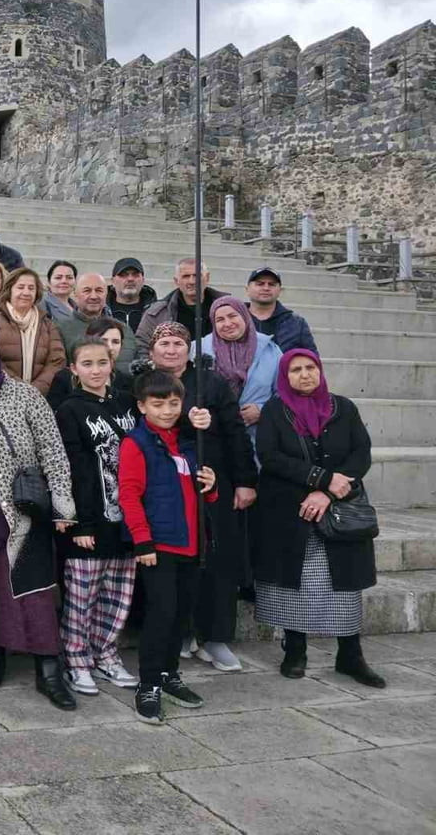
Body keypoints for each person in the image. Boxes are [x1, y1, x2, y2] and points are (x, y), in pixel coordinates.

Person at [0, 334, 77, 709]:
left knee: (32, 590)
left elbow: (53, 452)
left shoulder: (25, 396)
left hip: (21, 512)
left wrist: (62, 508)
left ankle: (49, 669)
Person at [254, 349, 384, 688]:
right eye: (295, 369)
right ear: (286, 375)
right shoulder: (274, 409)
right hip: (289, 510)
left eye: (310, 367)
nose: (304, 375)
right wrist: (319, 479)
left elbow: (361, 453)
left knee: (343, 582)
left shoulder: (343, 407)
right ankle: (295, 649)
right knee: (294, 582)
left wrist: (328, 491)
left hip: (339, 508)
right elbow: (269, 456)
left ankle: (350, 655)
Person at [145, 322, 258, 674]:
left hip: (213, 482)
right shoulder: (144, 385)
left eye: (179, 342)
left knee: (218, 559)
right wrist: (184, 421)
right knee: (175, 563)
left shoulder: (211, 383)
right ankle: (180, 632)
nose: (171, 349)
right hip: (165, 486)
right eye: (164, 342)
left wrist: (245, 481)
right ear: (152, 350)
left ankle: (215, 636)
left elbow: (236, 432)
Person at [118, 370, 219, 725]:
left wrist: (211, 485)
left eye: (174, 403)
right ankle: (148, 683)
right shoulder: (137, 443)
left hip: (191, 544)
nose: (166, 411)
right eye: (158, 404)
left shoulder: (188, 443)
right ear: (142, 406)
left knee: (181, 615)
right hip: (159, 545)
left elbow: (202, 492)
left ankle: (169, 673)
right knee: (161, 615)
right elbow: (129, 495)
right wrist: (142, 540)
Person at [53, 340, 139, 696]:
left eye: (101, 362)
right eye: (86, 363)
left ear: (111, 364)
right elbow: (70, 470)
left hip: (126, 519)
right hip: (90, 520)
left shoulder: (127, 403)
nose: (95, 370)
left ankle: (106, 654)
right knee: (82, 596)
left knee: (117, 596)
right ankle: (76, 660)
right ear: (74, 369)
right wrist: (80, 523)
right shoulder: (69, 410)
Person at [198, 295, 281, 445]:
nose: (227, 323)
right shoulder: (199, 349)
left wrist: (262, 410)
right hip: (213, 435)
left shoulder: (270, 350)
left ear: (244, 316)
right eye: (220, 320)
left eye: (232, 316)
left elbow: (284, 392)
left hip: (257, 436)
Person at [0, 266, 66, 396]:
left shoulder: (48, 324)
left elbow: (57, 361)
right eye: (20, 287)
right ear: (10, 290)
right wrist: (19, 388)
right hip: (2, 396)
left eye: (31, 288)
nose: (26, 292)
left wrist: (35, 390)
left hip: (39, 397)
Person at [134, 258, 225, 359]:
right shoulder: (156, 313)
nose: (192, 281)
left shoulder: (227, 307)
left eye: (197, 275)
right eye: (186, 276)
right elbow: (142, 345)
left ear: (207, 278)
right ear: (176, 281)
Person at [47, 316, 134, 409]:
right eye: (103, 340)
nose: (110, 347)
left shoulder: (127, 382)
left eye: (115, 342)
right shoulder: (64, 379)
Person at [55, 273, 135, 372]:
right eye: (87, 291)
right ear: (75, 294)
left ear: (106, 294)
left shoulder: (123, 329)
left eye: (99, 291)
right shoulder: (60, 328)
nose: (93, 296)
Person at [246, 267, 318, 354]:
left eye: (272, 284)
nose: (266, 288)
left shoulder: (296, 323)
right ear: (247, 289)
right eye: (260, 284)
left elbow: (312, 359)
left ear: (280, 290)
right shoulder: (235, 319)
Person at [107, 257, 157, 333]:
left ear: (143, 280)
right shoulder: (101, 311)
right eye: (123, 275)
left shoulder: (156, 312)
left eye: (135, 275)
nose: (130, 279)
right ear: (113, 281)